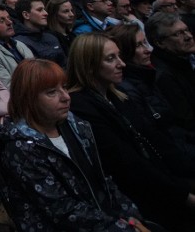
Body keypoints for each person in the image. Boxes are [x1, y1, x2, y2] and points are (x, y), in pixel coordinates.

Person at [0, 59, 145, 231]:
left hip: (103, 219)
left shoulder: (76, 126)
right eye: (52, 92)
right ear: (29, 99)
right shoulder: (21, 147)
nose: (66, 97)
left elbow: (103, 181)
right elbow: (62, 211)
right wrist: (121, 228)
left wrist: (132, 217)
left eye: (65, 87)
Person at [67, 33, 195, 231]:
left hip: (162, 183)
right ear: (89, 65)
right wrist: (183, 195)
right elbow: (126, 163)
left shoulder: (117, 95)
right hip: (138, 197)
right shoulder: (81, 106)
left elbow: (156, 139)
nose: (122, 64)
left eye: (119, 56)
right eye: (111, 59)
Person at [146, 13, 195, 134]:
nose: (188, 36)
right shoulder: (163, 75)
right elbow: (186, 120)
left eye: (187, 30)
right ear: (160, 43)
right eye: (178, 34)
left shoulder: (185, 58)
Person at [12, 0, 66, 68]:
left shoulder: (51, 37)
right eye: (39, 10)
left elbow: (64, 65)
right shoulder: (19, 43)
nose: (46, 13)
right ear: (26, 15)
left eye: (44, 9)